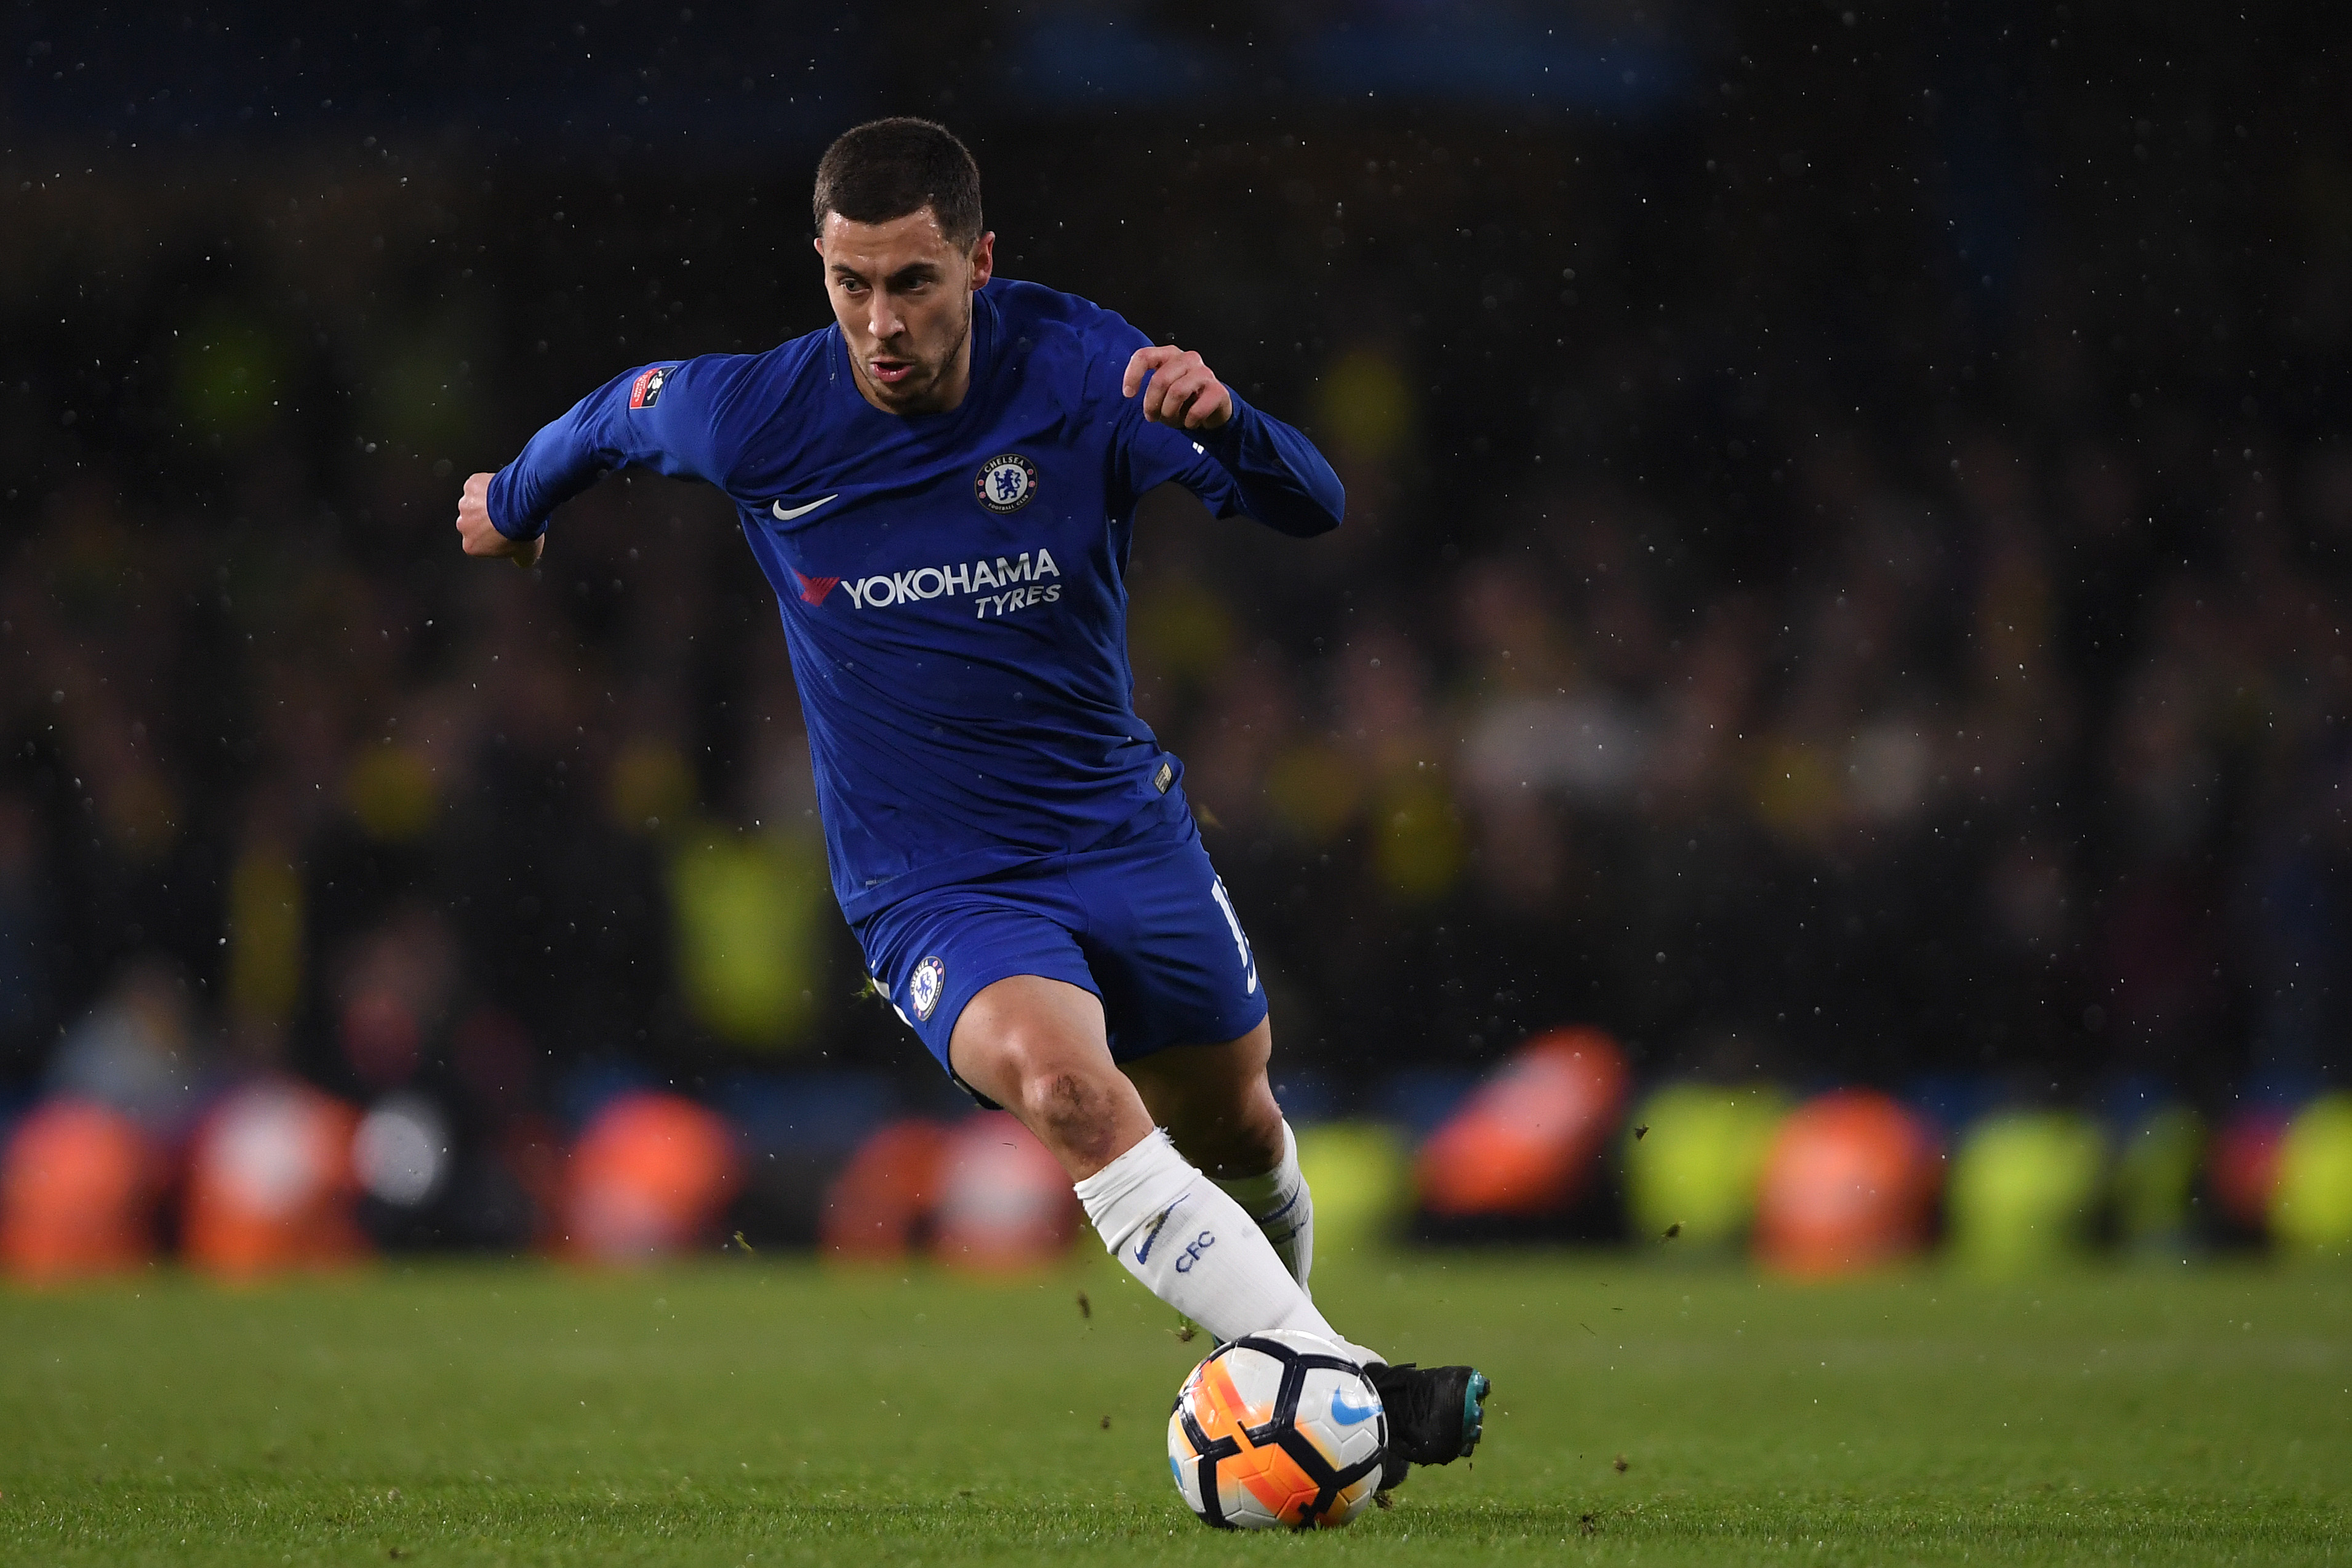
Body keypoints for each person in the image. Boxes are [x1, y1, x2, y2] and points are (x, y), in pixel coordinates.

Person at [453, 117, 1484, 1488]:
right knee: (1071, 1090)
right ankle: (1356, 1397)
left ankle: (1304, 1373)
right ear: (820, 267)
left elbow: (1313, 506)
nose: (879, 321)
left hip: (1122, 833)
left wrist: (1233, 423)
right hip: (936, 884)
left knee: (1236, 1125)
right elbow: (615, 413)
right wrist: (512, 499)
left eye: (914, 282)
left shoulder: (1076, 368)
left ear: (982, 262)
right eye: (849, 282)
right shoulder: (763, 412)